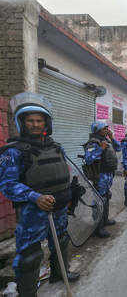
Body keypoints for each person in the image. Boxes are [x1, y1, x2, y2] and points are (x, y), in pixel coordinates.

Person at [0, 92, 80, 296]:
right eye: (30, 121)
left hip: (59, 207)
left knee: (61, 240)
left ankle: (59, 273)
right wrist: (34, 197)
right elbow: (7, 185)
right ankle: (27, 291)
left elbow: (63, 172)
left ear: (46, 123)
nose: (35, 125)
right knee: (30, 254)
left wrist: (70, 191)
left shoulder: (56, 147)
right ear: (22, 123)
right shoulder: (14, 152)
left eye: (39, 120)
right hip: (33, 213)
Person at [84, 121, 121, 238]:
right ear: (97, 130)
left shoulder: (107, 140)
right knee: (99, 200)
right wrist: (100, 149)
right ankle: (97, 227)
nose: (106, 130)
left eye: (107, 128)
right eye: (104, 129)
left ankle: (105, 220)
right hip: (99, 176)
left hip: (108, 174)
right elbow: (89, 159)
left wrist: (112, 137)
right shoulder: (93, 143)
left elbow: (118, 148)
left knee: (106, 197)